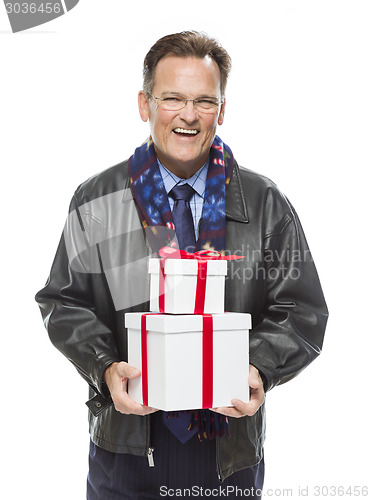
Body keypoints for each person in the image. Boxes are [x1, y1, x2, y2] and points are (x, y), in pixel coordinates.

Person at [35, 31, 328, 499]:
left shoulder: (265, 202)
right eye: (172, 98)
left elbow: (303, 310)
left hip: (228, 445)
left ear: (222, 109)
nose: (188, 116)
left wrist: (258, 370)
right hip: (127, 442)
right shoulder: (98, 199)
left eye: (204, 101)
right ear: (144, 103)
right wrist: (105, 367)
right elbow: (64, 303)